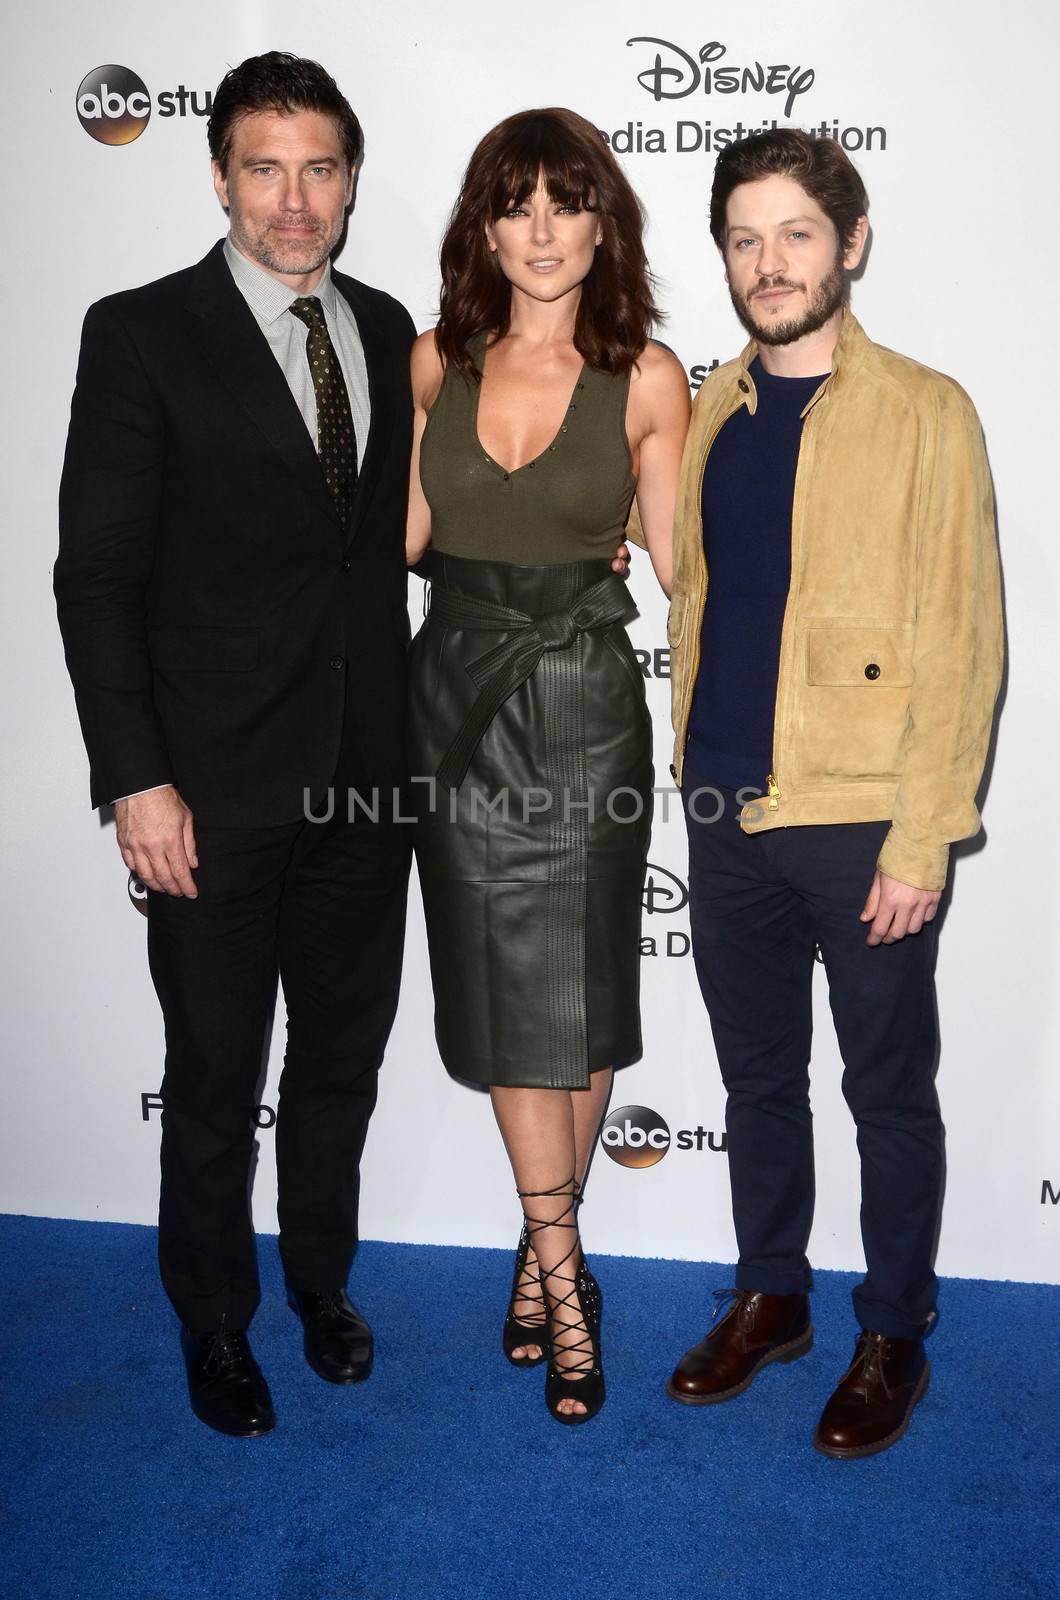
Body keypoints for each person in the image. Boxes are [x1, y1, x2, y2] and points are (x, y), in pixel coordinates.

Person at [54, 53, 416, 1438]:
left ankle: (321, 1282)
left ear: (348, 182)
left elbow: (394, 548)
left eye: (320, 167)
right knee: (213, 1073)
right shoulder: (142, 332)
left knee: (339, 1059)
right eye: (264, 167)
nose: (293, 198)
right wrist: (138, 777)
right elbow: (98, 579)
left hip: (366, 782)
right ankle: (215, 1321)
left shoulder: (389, 331)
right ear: (220, 175)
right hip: (205, 788)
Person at [661, 129, 1003, 1456]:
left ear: (850, 244)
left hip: (865, 819)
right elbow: (704, 604)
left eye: (796, 232)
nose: (769, 260)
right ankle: (774, 1297)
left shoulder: (929, 410)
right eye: (745, 237)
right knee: (757, 1080)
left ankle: (893, 1330)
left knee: (885, 1089)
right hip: (724, 810)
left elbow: (964, 636)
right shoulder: (713, 409)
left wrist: (924, 834)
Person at [405, 108, 690, 1424]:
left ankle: (545, 1261)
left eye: (564, 203)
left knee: (575, 996)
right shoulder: (431, 364)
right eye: (512, 203)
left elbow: (684, 563)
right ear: (485, 226)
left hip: (584, 705)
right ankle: (565, 1265)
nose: (538, 229)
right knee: (510, 997)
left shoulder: (646, 377)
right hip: (458, 708)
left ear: (601, 223)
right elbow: (398, 541)